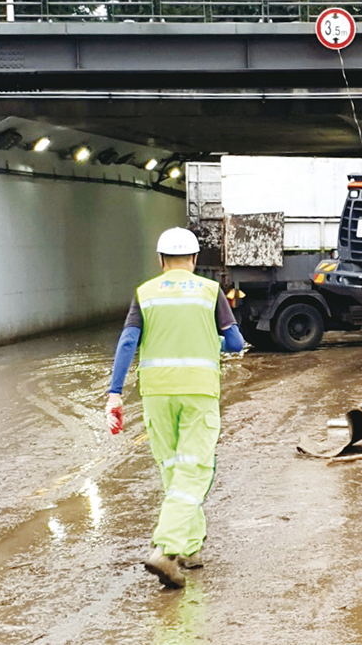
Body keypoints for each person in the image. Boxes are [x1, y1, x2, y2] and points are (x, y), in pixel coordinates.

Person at [105, 227, 245, 588]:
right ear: (195, 260)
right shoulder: (210, 291)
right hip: (198, 392)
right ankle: (166, 550)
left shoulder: (146, 293)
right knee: (194, 470)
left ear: (160, 260)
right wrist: (211, 338)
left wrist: (114, 394)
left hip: (156, 394)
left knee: (173, 469)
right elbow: (235, 342)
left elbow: (127, 343)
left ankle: (191, 548)